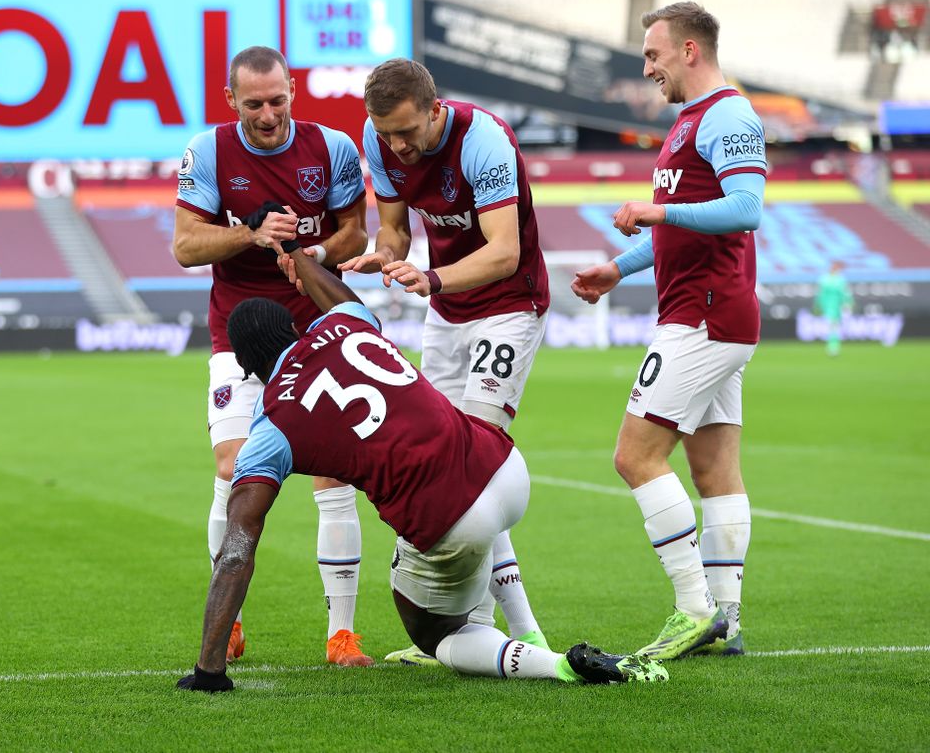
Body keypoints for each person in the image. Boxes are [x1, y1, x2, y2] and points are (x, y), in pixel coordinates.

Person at [176, 245, 669, 691]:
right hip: (505, 466)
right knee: (471, 494)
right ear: (293, 327)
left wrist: (208, 670)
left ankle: (555, 664)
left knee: (439, 634)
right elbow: (340, 296)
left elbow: (238, 549)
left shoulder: (270, 425)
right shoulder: (344, 323)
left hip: (451, 518)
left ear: (244, 368)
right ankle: (528, 628)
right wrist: (301, 260)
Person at [570, 2, 767, 659]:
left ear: (690, 50)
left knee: (635, 456)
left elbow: (746, 208)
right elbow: (681, 228)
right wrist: (617, 267)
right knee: (714, 471)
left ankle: (692, 609)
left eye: (654, 55)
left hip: (703, 315)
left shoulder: (728, 113)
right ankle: (727, 621)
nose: (647, 69)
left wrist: (656, 209)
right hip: (708, 311)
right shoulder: (690, 121)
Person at [338, 58, 551, 664]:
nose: (398, 146)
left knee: (472, 468)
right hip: (448, 315)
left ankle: (520, 629)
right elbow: (395, 231)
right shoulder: (379, 142)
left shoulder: (484, 140)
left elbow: (505, 253)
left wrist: (431, 278)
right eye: (386, 135)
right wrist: (383, 257)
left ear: (435, 110)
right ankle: (474, 629)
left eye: (408, 132)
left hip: (509, 306)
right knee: (443, 470)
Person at [171, 46, 372, 667]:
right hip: (237, 335)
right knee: (234, 469)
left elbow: (356, 232)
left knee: (333, 474)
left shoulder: (332, 147)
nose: (267, 114)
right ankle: (227, 623)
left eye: (278, 100)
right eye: (253, 103)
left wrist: (310, 255)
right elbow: (184, 246)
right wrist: (250, 234)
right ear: (232, 101)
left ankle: (342, 635)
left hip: (317, 330)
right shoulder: (207, 152)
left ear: (292, 92)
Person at [814, 261, 852, 356]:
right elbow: (820, 294)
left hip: (836, 307)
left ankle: (833, 346)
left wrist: (847, 303)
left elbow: (845, 293)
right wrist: (818, 305)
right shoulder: (826, 279)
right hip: (829, 306)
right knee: (833, 325)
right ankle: (833, 346)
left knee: (833, 326)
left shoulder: (838, 279)